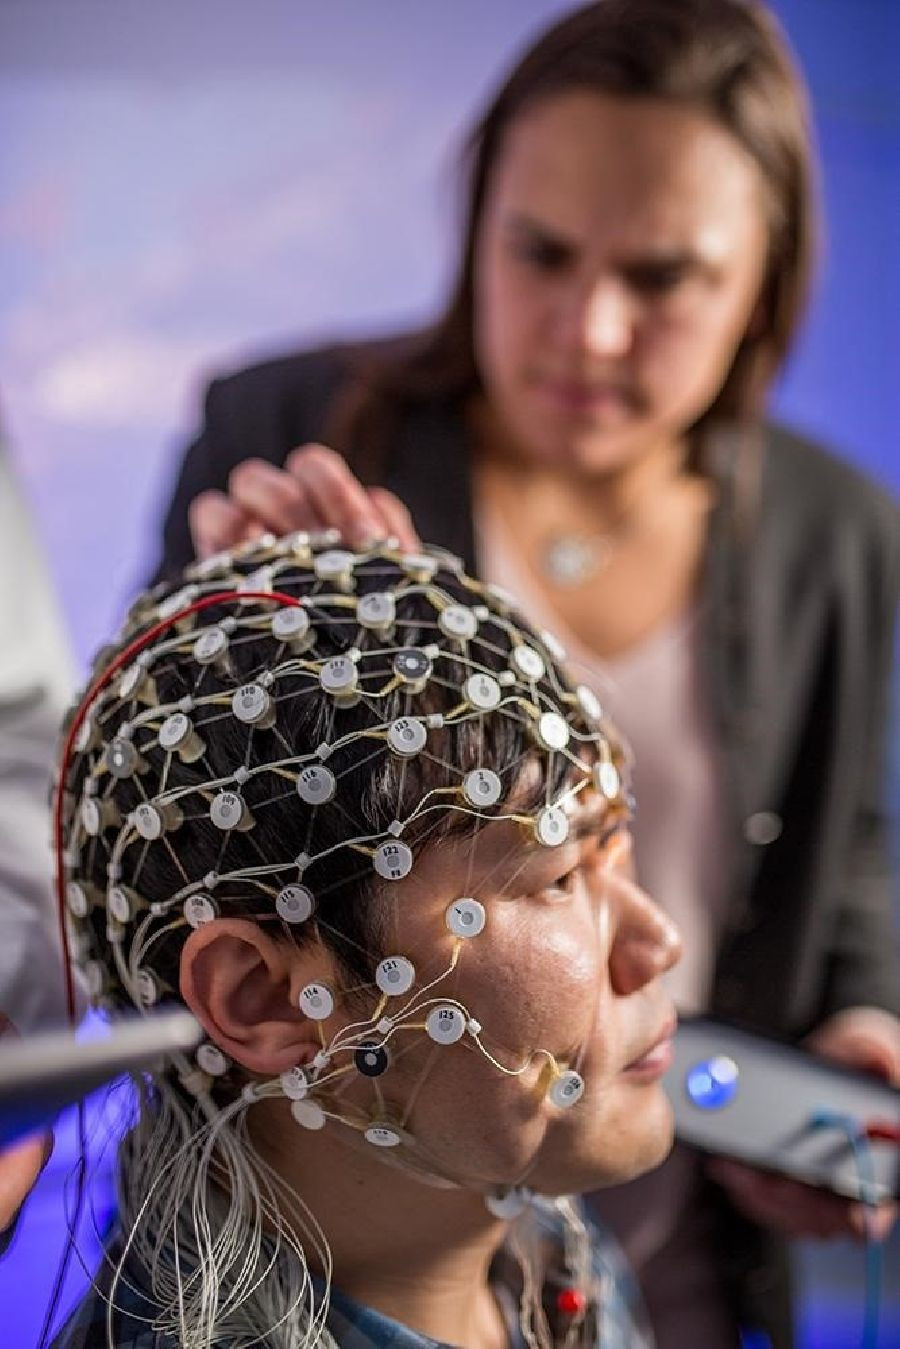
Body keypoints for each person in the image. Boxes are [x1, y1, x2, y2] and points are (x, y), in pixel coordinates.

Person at [150, 2, 900, 1345]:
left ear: (765, 283)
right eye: (540, 252)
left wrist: (862, 1018)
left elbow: (839, 849)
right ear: (475, 225)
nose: (589, 328)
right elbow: (148, 873)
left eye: (663, 277)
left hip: (677, 1250)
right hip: (339, 1257)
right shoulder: (287, 428)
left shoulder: (838, 536)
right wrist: (227, 655)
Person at [51, 531, 681, 1347]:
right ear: (265, 996)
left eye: (613, 850)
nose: (658, 941)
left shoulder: (556, 1262)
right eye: (557, 876)